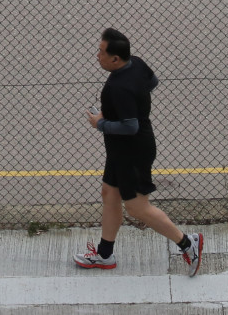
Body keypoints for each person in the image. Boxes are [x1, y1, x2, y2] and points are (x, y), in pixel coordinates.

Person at [74, 28, 203, 275]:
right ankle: (104, 255)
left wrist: (100, 123)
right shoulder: (137, 64)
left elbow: (130, 126)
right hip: (121, 151)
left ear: (115, 59)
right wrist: (137, 102)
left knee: (136, 207)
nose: (97, 56)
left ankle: (188, 244)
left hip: (132, 152)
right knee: (109, 194)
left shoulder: (118, 88)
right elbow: (152, 83)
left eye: (101, 52)